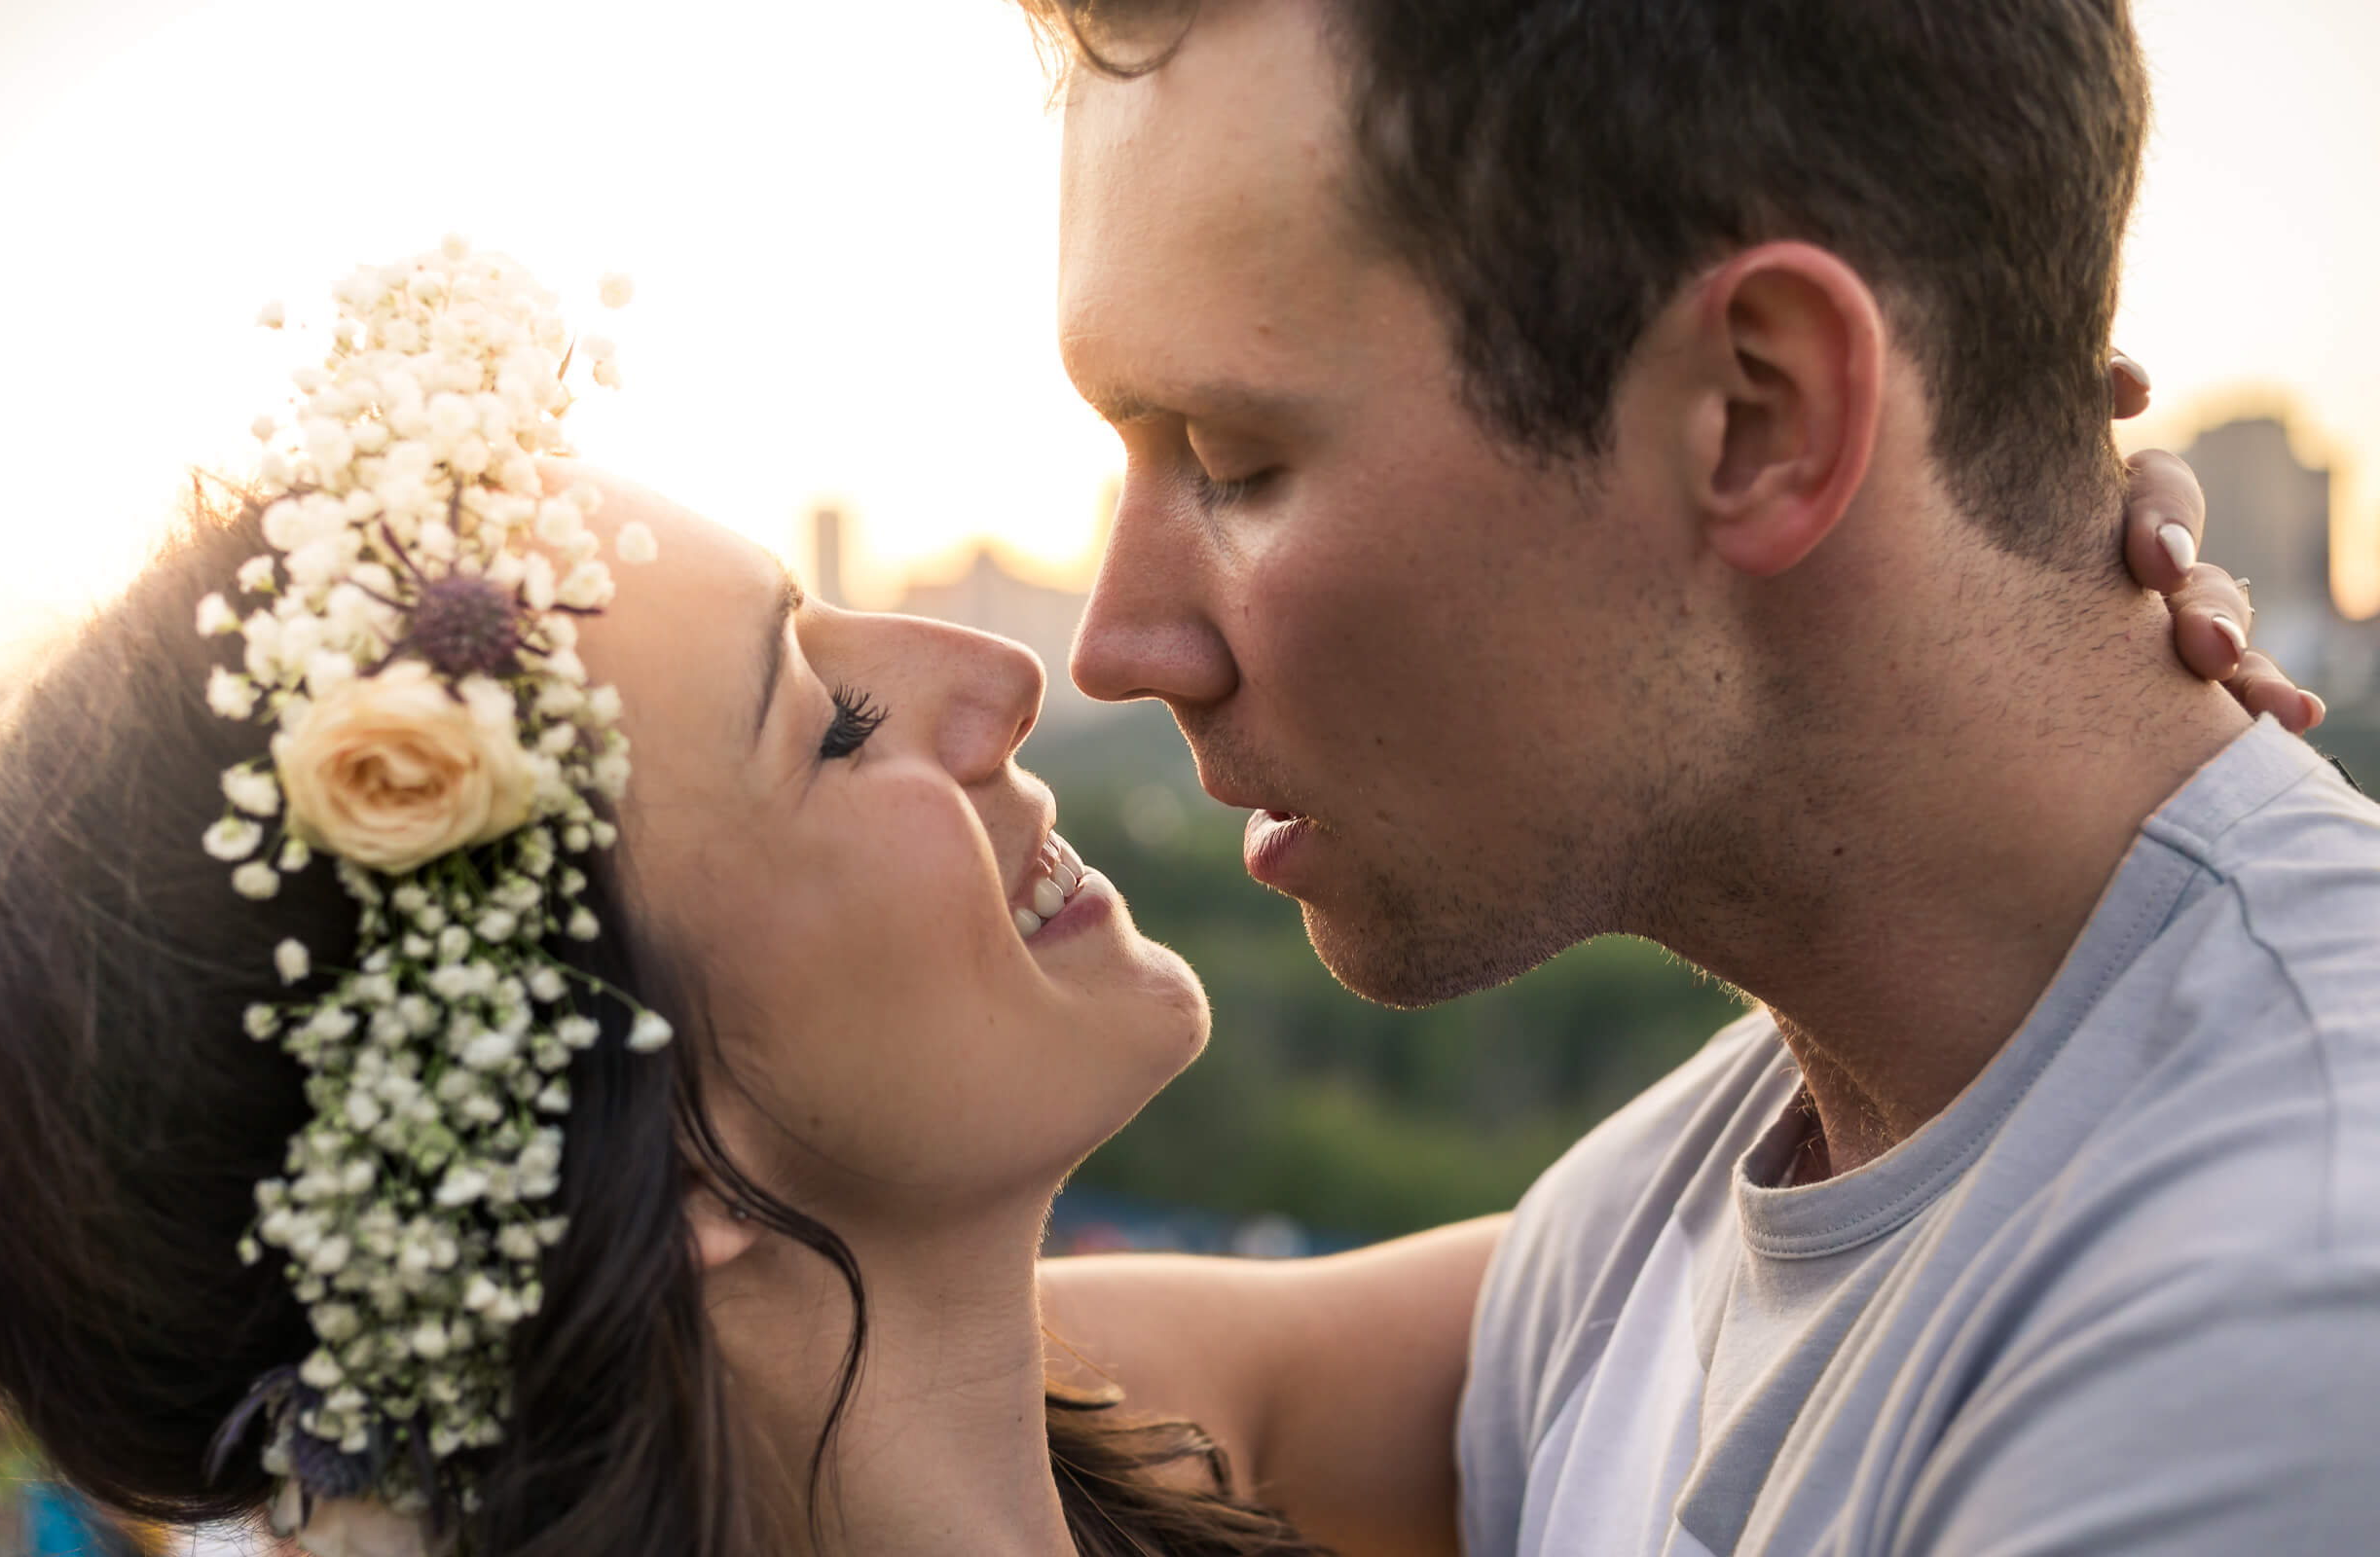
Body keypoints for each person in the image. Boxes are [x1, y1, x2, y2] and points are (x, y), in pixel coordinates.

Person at [1007, 1, 2380, 1553]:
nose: (1118, 645)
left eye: (1231, 456)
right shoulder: (1673, 1213)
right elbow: (969, 1411)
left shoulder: (2274, 1321)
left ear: (1762, 417)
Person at [0, 247, 1327, 1557]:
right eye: (831, 723)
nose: (1008, 683)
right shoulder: (1217, 1408)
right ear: (630, 1145)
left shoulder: (1140, 1405)